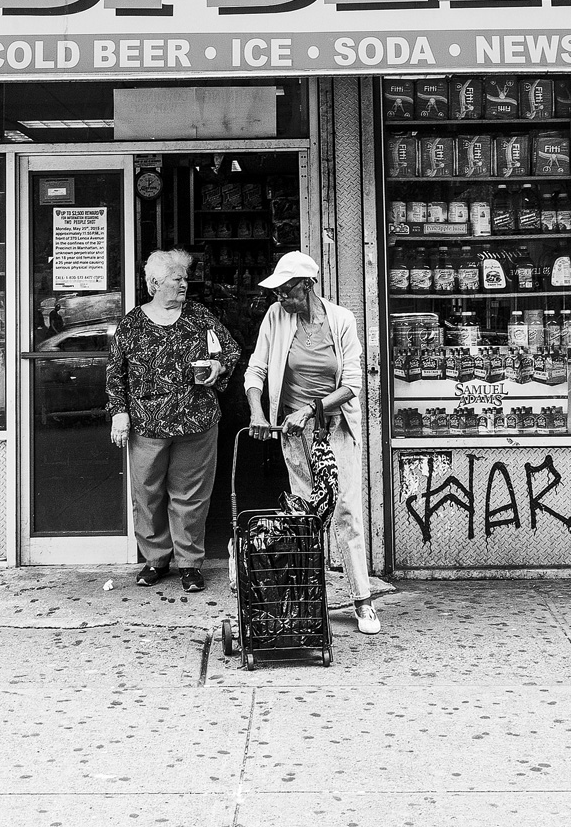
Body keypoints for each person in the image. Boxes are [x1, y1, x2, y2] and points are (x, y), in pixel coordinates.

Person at [244, 251, 378, 634]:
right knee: (304, 518)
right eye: (278, 293)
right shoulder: (276, 317)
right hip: (294, 431)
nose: (281, 299)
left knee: (346, 512)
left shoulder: (341, 320)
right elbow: (257, 368)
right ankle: (308, 601)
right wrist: (257, 411)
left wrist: (312, 409)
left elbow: (353, 384)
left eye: (288, 292)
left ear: (308, 286)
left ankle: (362, 601)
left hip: (334, 427)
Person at [107, 249, 240, 593]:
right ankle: (156, 559)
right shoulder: (132, 323)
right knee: (147, 493)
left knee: (190, 496)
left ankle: (190, 563)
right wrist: (119, 413)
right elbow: (115, 374)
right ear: (154, 283)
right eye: (176, 279)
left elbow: (231, 350)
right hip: (146, 424)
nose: (184, 283)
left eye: (185, 278)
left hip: (196, 421)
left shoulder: (200, 316)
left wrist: (218, 365)